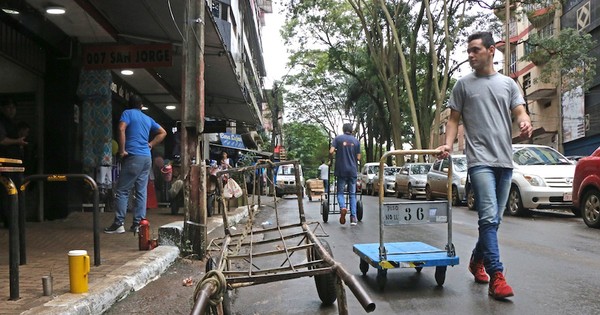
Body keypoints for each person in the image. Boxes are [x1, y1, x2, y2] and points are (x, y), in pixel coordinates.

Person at [436, 31, 532, 300]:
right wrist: (448, 143)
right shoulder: (463, 85)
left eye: (475, 50)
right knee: (488, 218)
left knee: (495, 221)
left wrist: (525, 122)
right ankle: (497, 276)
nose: (470, 55)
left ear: (491, 51)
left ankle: (476, 261)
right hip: (479, 161)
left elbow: (520, 111)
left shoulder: (509, 84)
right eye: (468, 51)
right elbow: (453, 120)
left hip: (504, 160)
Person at [104, 94, 167, 234]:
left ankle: (119, 223)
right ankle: (138, 224)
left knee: (122, 190)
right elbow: (163, 132)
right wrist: (150, 144)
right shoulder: (147, 118)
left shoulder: (127, 113)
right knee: (141, 191)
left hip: (133, 157)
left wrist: (121, 150)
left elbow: (121, 128)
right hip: (146, 158)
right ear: (141, 106)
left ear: (129, 104)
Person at [0, 100, 28, 228]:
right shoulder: (2, 122)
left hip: (14, 164)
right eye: (8, 107)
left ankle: (14, 221)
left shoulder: (12, 124)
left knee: (14, 192)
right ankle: (9, 221)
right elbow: (2, 140)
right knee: (7, 193)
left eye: (13, 107)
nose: (11, 110)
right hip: (5, 164)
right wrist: (17, 141)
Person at [329, 123, 361, 226]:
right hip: (352, 170)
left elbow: (331, 151)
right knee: (352, 194)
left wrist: (336, 153)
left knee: (340, 192)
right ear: (351, 130)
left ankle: (343, 207)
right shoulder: (356, 141)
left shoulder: (338, 139)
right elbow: (359, 157)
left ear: (343, 129)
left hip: (341, 169)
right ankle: (353, 217)